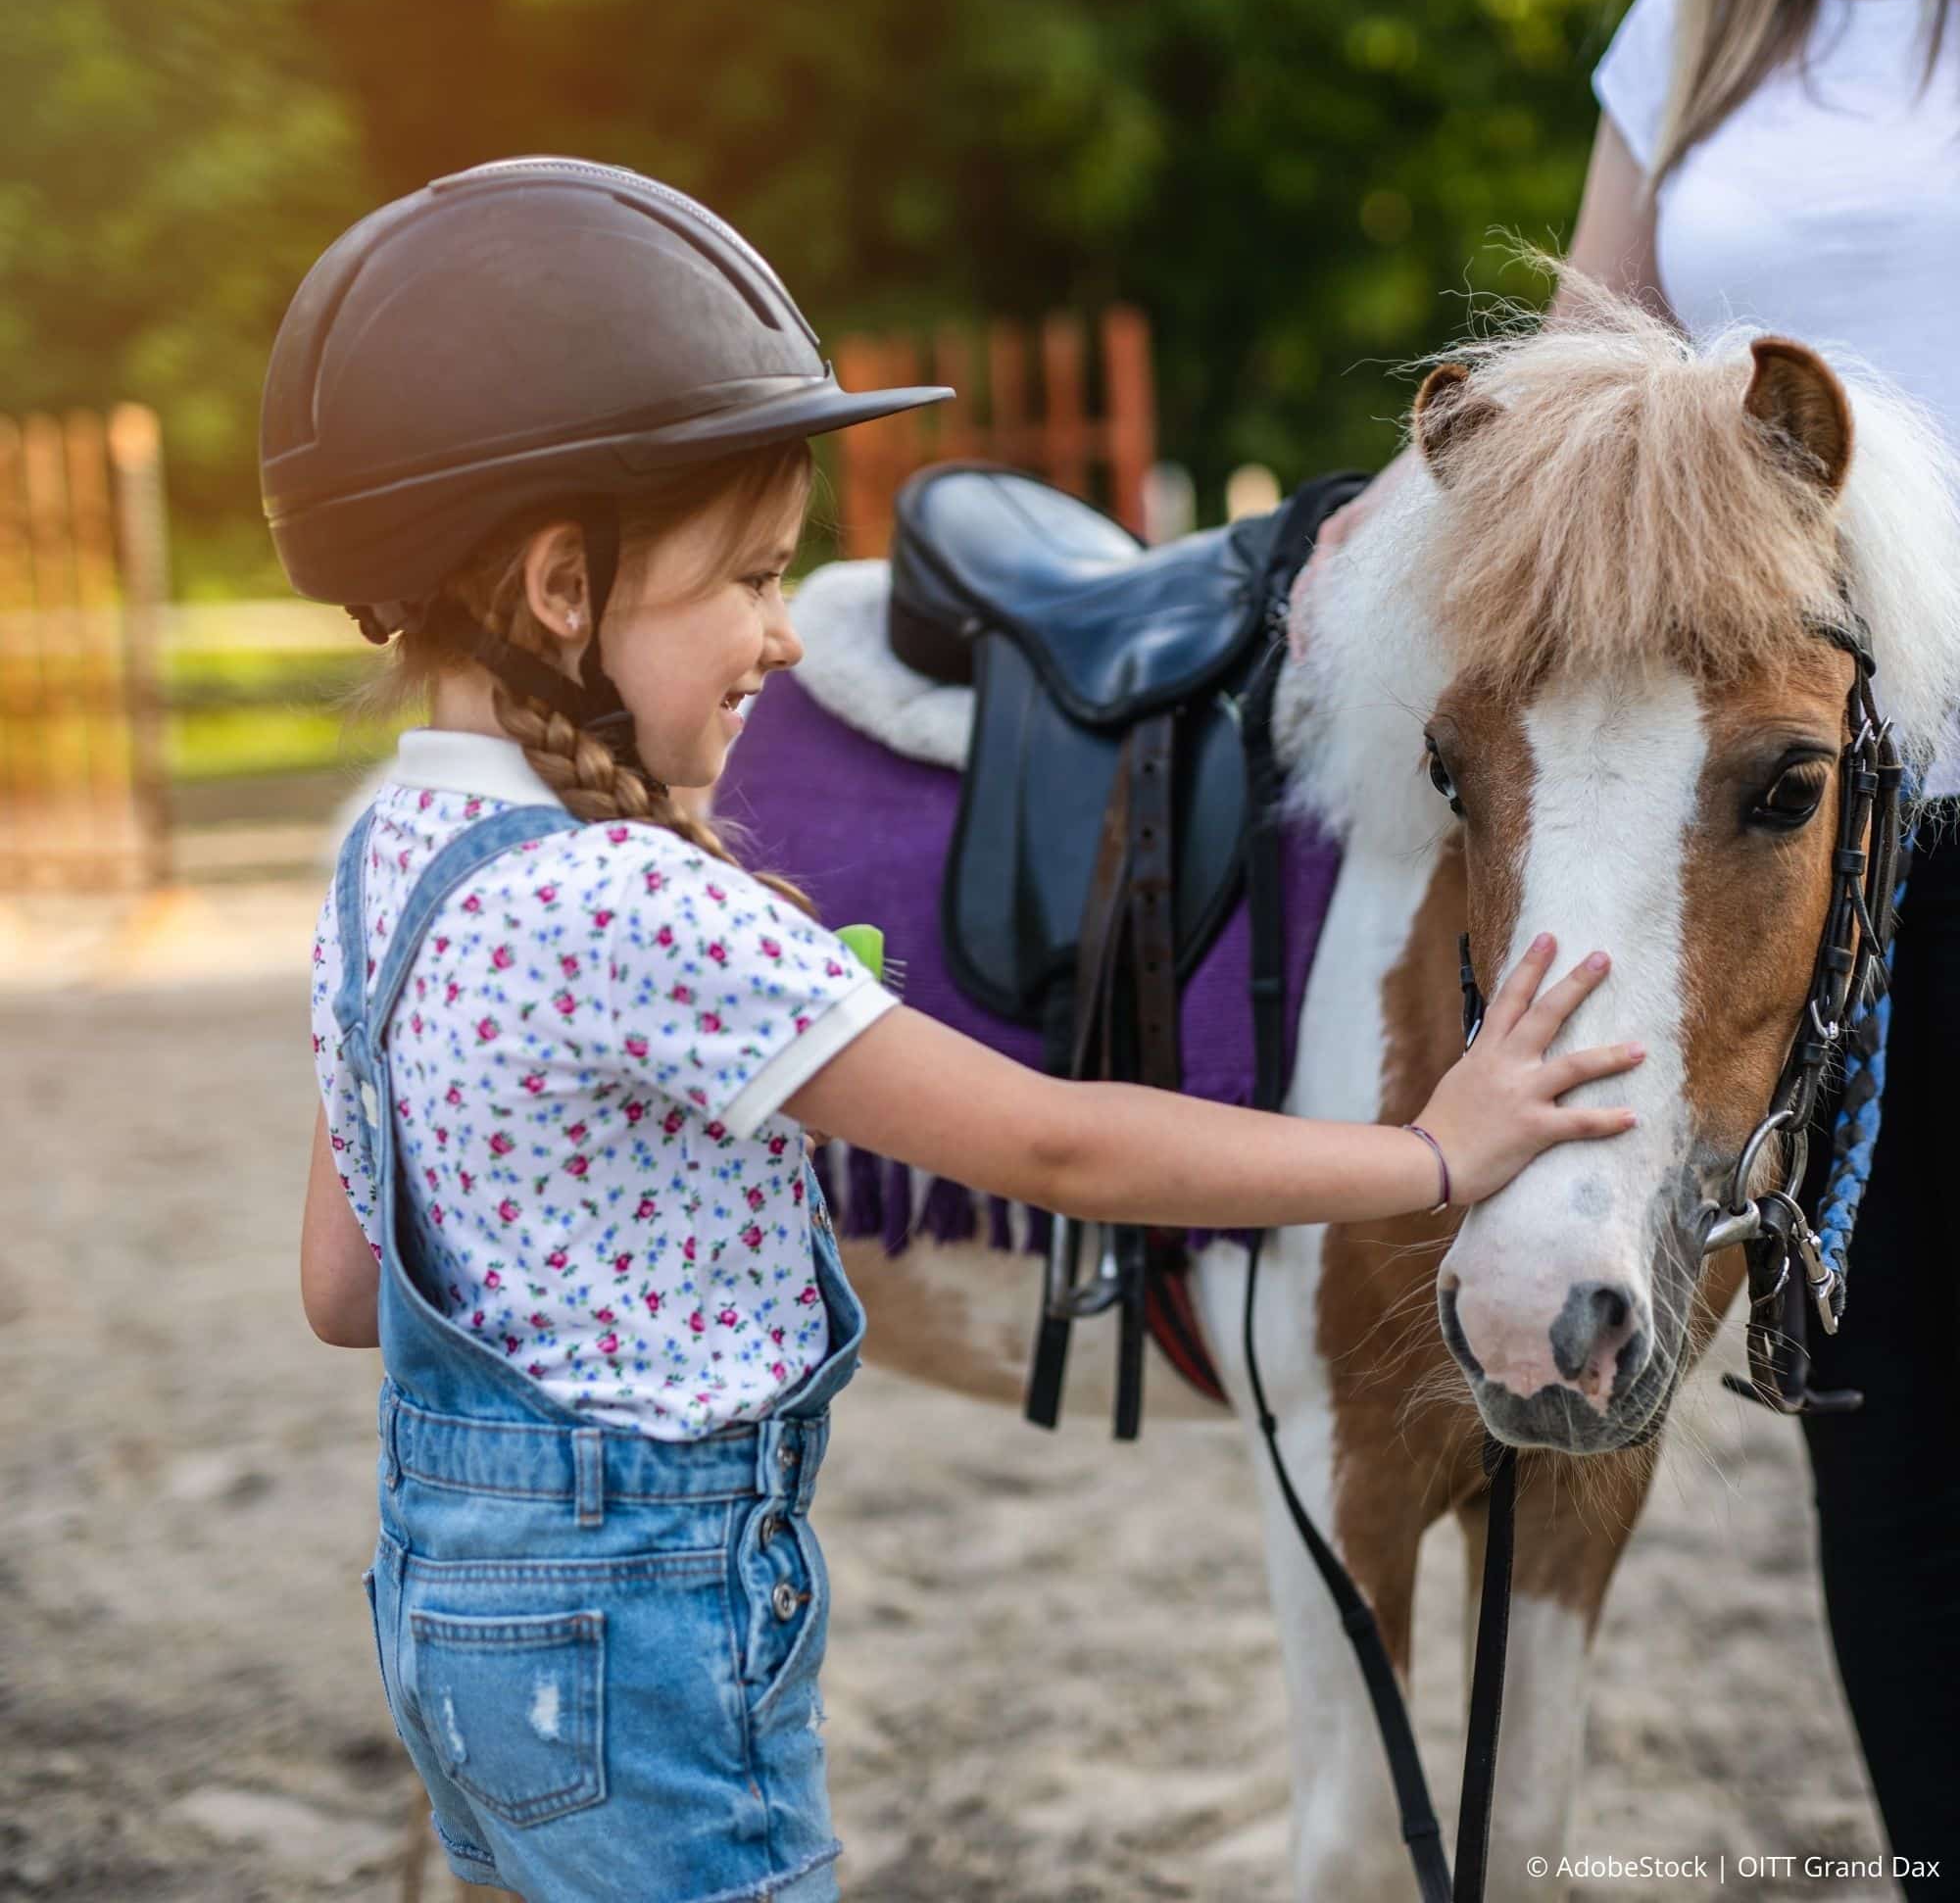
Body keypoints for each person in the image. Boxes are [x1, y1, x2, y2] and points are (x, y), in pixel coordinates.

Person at [271, 159, 1642, 1903]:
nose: (784, 634)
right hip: (656, 1622)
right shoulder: (638, 905)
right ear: (560, 589)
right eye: (753, 578)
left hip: (450, 1606)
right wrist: (1436, 1150)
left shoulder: (383, 860)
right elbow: (1054, 1140)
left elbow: (342, 1286)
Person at [1303, 0, 1960, 1882]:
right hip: (1807, 813)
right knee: (1888, 1422)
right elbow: (1607, 335)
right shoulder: (1696, 5)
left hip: (1883, 737)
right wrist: (1441, 501)